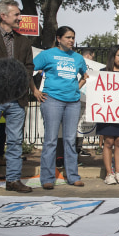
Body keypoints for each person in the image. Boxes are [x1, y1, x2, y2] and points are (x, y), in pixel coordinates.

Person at [0, 0, 40, 197]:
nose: (20, 18)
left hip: (16, 97)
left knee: (15, 140)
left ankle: (13, 179)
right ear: (4, 16)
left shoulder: (23, 41)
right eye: (17, 15)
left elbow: (29, 66)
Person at [34, 26, 87, 189]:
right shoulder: (46, 55)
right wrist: (35, 91)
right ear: (58, 38)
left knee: (70, 140)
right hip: (52, 100)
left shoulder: (78, 58)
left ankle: (73, 176)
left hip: (73, 102)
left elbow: (85, 76)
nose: (71, 41)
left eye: (73, 37)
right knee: (50, 140)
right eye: (68, 37)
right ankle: (47, 178)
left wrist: (76, 88)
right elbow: (29, 70)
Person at [96, 45, 119, 185]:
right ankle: (108, 174)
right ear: (112, 56)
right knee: (108, 141)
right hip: (107, 112)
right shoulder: (103, 72)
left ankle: (118, 172)